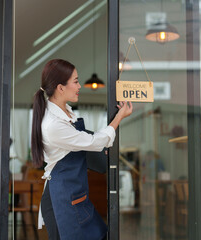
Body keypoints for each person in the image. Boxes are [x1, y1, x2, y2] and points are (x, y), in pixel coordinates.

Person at [31, 59, 133, 240]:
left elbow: (82, 146)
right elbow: (94, 142)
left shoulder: (66, 113)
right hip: (63, 199)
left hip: (73, 196)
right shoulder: (53, 124)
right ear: (61, 88)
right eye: (76, 81)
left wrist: (100, 152)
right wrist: (119, 118)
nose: (79, 86)